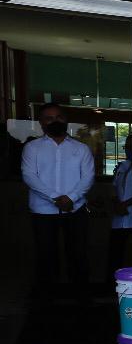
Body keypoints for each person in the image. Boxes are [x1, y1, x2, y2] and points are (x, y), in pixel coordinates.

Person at [22, 102, 94, 288]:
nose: (55, 121)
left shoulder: (81, 148)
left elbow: (88, 177)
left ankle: (81, 296)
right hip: (43, 212)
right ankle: (46, 298)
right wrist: (56, 197)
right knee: (46, 256)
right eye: (49, 118)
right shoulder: (32, 148)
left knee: (78, 254)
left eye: (59, 117)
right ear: (41, 123)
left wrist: (71, 198)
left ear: (66, 120)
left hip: (75, 210)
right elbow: (29, 176)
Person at [109, 134, 132, 271]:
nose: (128, 150)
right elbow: (114, 188)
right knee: (115, 253)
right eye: (126, 147)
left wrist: (124, 205)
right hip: (119, 218)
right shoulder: (121, 166)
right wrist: (117, 204)